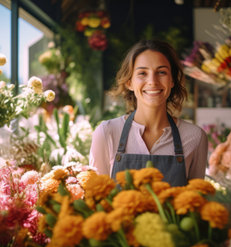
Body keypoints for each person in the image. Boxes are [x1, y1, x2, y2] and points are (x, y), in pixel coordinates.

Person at [89, 39, 208, 186]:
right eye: (142, 73)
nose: (152, 81)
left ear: (172, 80)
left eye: (162, 72)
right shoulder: (107, 133)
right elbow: (96, 198)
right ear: (129, 82)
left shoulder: (195, 137)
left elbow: (196, 201)